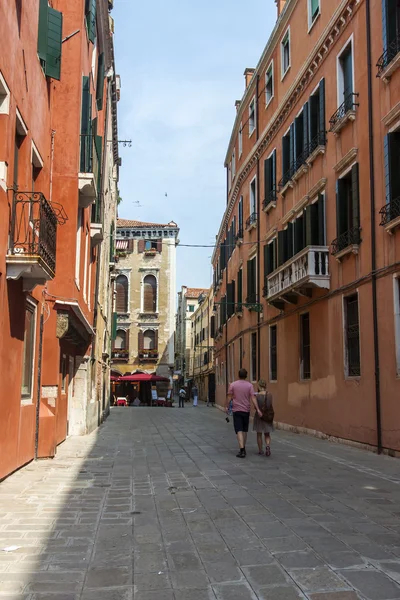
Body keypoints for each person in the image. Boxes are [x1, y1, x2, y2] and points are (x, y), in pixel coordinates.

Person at [226, 368, 262, 458]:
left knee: (239, 430)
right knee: (245, 430)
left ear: (238, 375)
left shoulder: (233, 385)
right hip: (246, 410)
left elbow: (229, 397)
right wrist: (257, 409)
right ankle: (243, 448)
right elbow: (253, 398)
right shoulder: (250, 386)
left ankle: (242, 450)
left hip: (236, 410)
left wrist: (226, 406)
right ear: (246, 376)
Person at [253, 379, 274, 456]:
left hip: (259, 416)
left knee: (259, 434)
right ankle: (268, 446)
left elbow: (255, 407)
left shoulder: (257, 396)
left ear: (259, 386)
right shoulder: (270, 395)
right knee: (267, 433)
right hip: (267, 415)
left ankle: (260, 450)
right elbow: (270, 405)